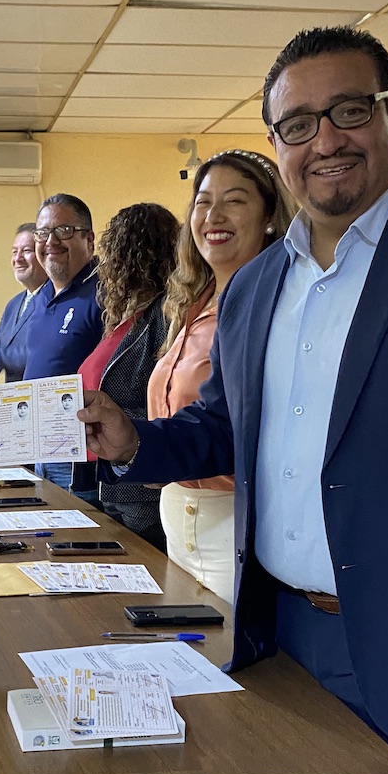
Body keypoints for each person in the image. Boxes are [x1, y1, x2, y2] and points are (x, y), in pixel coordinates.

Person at [80, 25, 388, 774]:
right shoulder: (256, 286)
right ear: (276, 142)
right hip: (286, 642)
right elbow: (225, 427)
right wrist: (134, 440)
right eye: (298, 124)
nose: (325, 140)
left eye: (349, 111)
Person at [148, 151, 293, 601]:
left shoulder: (281, 303)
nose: (214, 216)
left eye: (235, 201)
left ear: (270, 218)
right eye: (203, 202)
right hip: (176, 515)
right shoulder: (194, 302)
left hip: (237, 522)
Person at [79, 202, 179, 550]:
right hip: (113, 481)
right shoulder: (124, 319)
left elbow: (169, 404)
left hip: (144, 491)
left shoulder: (166, 316)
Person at [24, 193, 102, 501]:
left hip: (76, 460)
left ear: (89, 239)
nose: (51, 241)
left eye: (64, 231)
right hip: (38, 452)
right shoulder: (41, 296)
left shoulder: (104, 293)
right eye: (43, 233)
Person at [0, 222, 45, 385]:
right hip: (13, 398)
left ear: (44, 254)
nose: (18, 258)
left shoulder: (55, 301)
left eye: (26, 251)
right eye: (14, 251)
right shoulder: (14, 305)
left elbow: (47, 354)